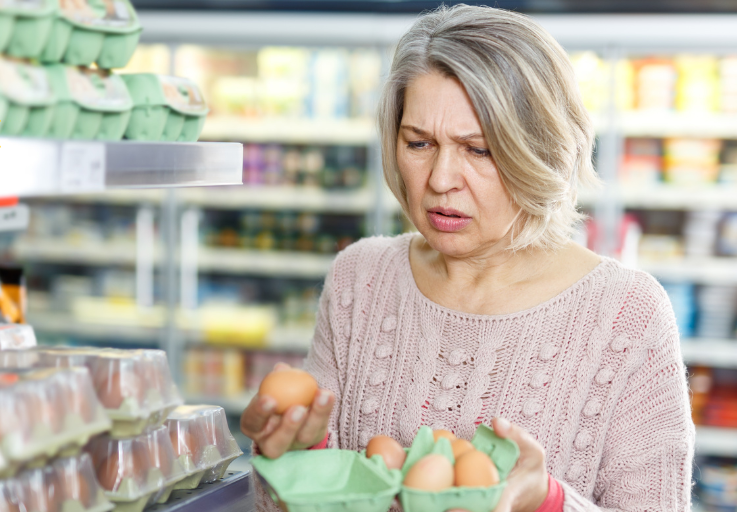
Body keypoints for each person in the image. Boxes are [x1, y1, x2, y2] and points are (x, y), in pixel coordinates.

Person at [242, 5, 694, 511]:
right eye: (419, 143)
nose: (439, 179)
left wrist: (546, 502)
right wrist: (299, 457)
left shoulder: (626, 315)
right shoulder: (360, 279)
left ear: (539, 151)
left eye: (477, 150)